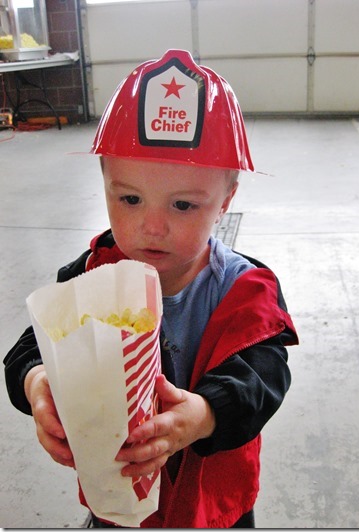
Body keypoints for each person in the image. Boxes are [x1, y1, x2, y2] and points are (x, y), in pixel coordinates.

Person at [3, 49, 298, 528]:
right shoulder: (92, 274)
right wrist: (38, 385)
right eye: (130, 199)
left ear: (226, 200)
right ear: (104, 184)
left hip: (213, 506)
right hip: (117, 495)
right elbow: (30, 349)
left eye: (183, 205)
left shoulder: (246, 292)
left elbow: (264, 379)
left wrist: (204, 415)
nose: (151, 227)